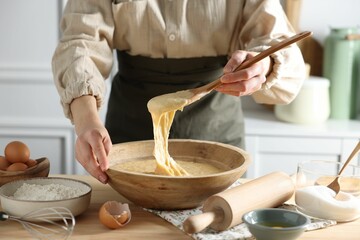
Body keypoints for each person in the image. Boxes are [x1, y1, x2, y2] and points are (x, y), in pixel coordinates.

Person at [52, 0, 306, 184]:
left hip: (217, 134)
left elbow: (277, 42)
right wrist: (86, 120)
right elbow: (81, 41)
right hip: (128, 131)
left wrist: (264, 64)